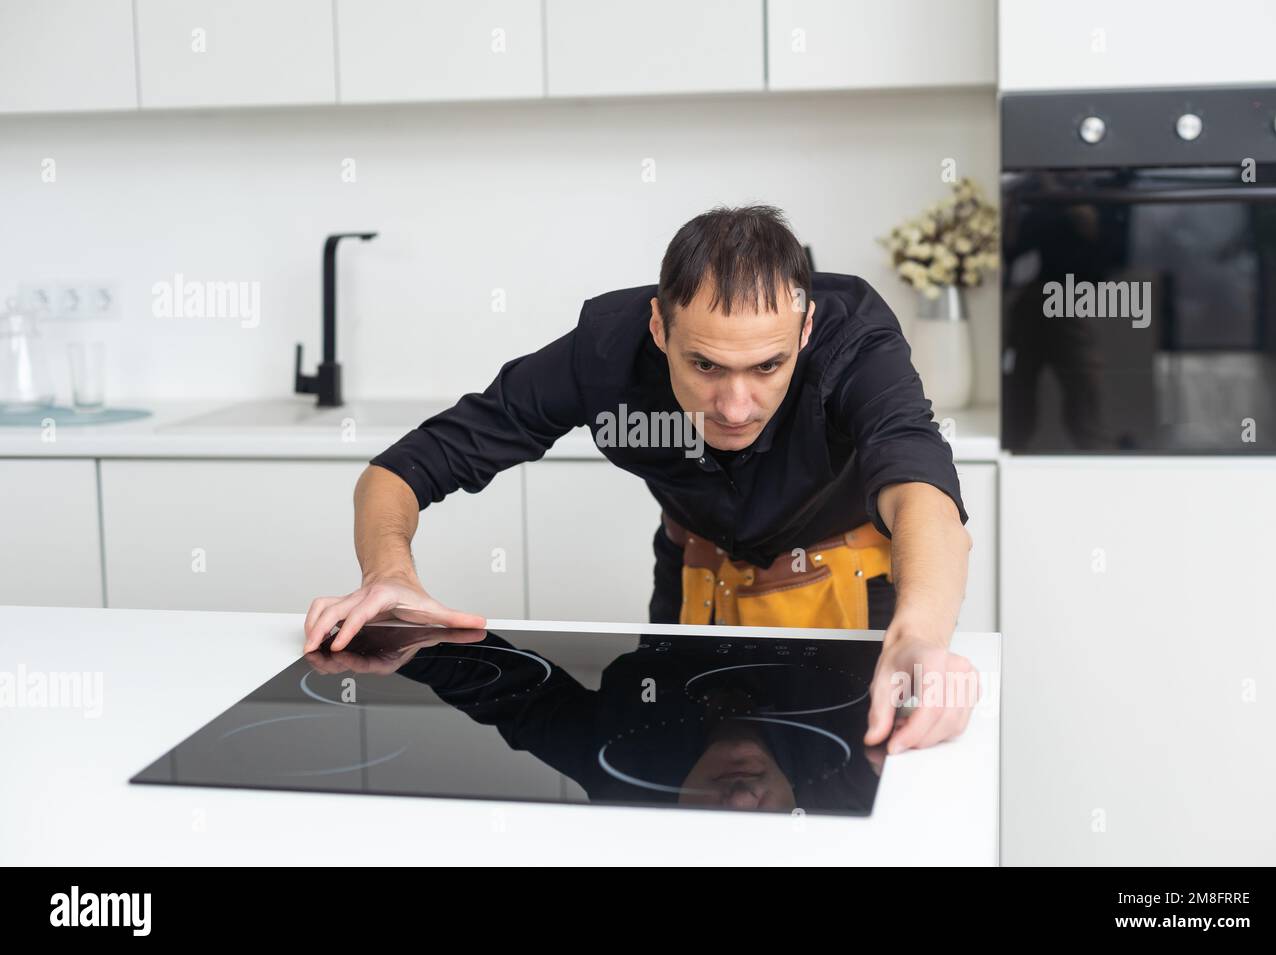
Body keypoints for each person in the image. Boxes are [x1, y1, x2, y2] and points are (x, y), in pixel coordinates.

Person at [304, 204, 978, 754]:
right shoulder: (604, 352)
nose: (735, 407)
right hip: (692, 587)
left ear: (804, 332)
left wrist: (922, 637)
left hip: (856, 595)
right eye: (706, 367)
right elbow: (402, 467)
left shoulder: (855, 336)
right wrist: (387, 574)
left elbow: (919, 481)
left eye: (767, 368)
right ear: (659, 326)